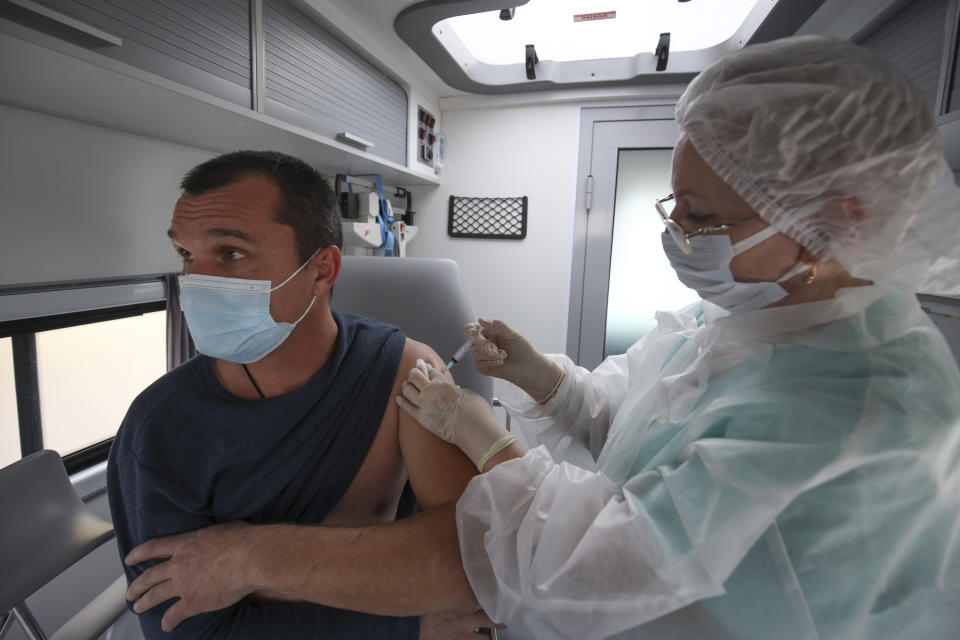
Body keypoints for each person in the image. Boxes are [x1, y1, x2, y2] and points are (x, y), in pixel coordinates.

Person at [120, 36, 960, 639]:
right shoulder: (749, 315)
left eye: (702, 216)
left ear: (831, 225)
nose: (677, 233)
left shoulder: (858, 406)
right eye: (186, 258)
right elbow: (632, 417)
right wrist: (543, 381)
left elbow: (570, 559)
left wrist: (479, 442)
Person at [106, 150, 495, 639]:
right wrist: (406, 622)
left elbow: (468, 560)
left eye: (230, 253)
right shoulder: (157, 430)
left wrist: (248, 560)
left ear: (321, 271)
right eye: (186, 255)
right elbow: (191, 632)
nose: (196, 283)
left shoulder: (402, 373)